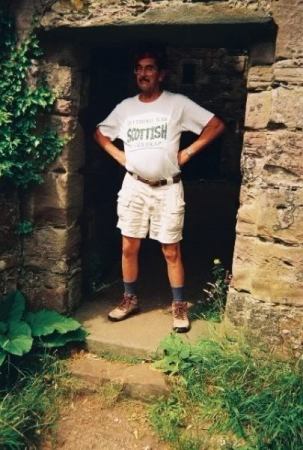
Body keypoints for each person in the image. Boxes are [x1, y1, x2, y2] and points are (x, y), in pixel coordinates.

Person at [94, 47, 225, 332]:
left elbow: (215, 125)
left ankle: (179, 305)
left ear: (161, 74)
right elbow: (100, 133)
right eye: (139, 68)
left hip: (168, 188)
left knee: (170, 249)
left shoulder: (176, 104)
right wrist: (121, 158)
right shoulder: (126, 107)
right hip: (134, 187)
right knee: (129, 246)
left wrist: (188, 153)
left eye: (150, 68)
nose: (143, 73)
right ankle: (130, 299)